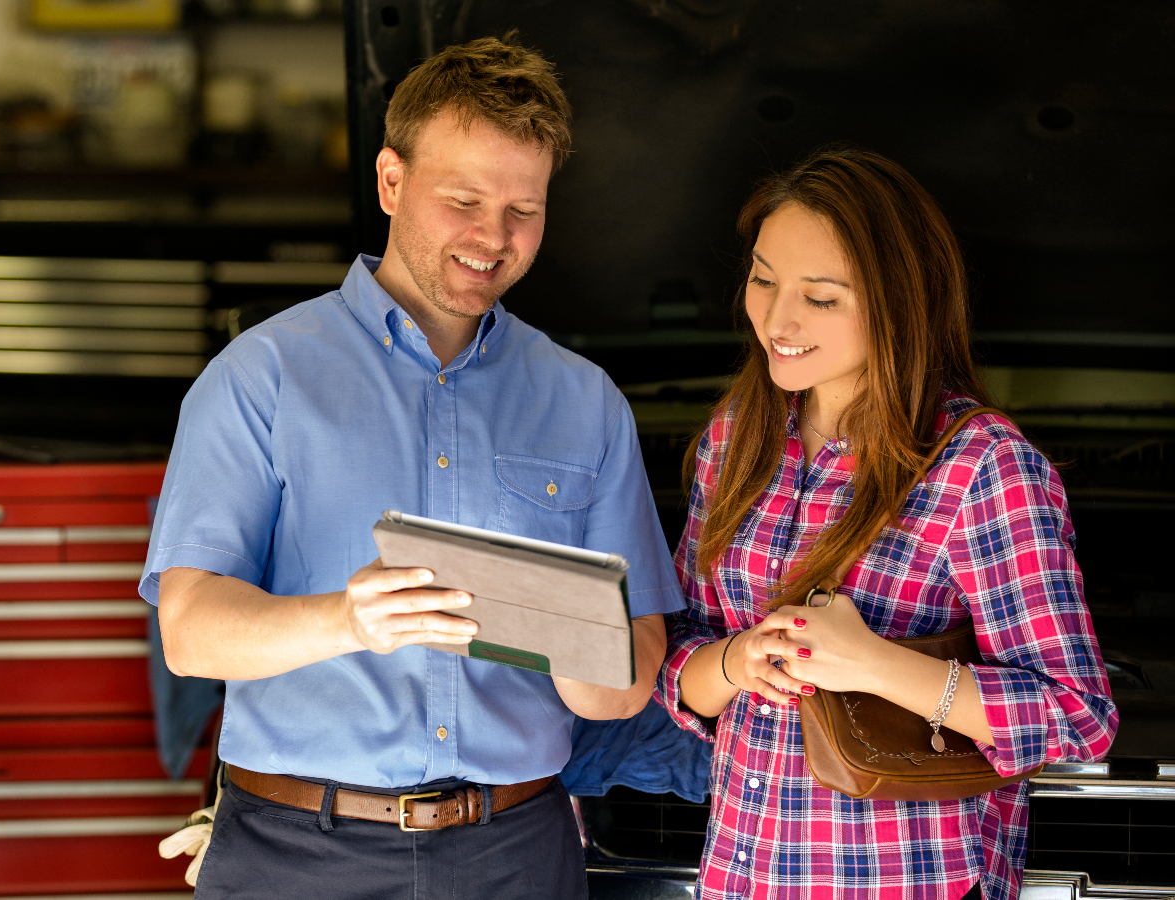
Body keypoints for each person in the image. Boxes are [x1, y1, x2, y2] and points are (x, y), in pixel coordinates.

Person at [141, 34, 683, 899]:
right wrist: (345, 620)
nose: (493, 237)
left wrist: (567, 635)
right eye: (463, 200)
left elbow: (629, 680)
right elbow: (190, 630)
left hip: (517, 852)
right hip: (296, 854)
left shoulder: (585, 402)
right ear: (391, 181)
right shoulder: (260, 376)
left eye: (524, 209)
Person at [655, 146, 1117, 900]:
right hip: (742, 875)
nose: (777, 319)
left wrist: (870, 663)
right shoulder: (735, 438)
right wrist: (737, 661)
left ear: (900, 302)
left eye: (821, 298)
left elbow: (1076, 716)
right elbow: (677, 653)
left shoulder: (981, 465)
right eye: (763, 280)